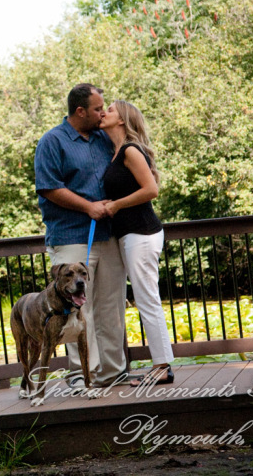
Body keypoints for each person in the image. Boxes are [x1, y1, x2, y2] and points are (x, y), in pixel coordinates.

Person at [34, 83, 130, 388]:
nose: (103, 113)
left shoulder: (104, 138)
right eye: (98, 108)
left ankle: (114, 372)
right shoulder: (53, 141)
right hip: (71, 236)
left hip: (109, 234)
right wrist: (89, 207)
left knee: (111, 305)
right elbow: (49, 187)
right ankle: (80, 375)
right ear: (80, 111)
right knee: (76, 308)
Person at [98, 99, 175, 386]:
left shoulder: (130, 150)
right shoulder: (116, 152)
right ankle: (160, 365)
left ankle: (163, 367)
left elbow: (151, 190)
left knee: (147, 299)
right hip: (128, 234)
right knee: (144, 298)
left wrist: (116, 205)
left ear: (122, 119)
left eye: (110, 110)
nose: (104, 112)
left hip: (142, 234)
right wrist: (113, 202)